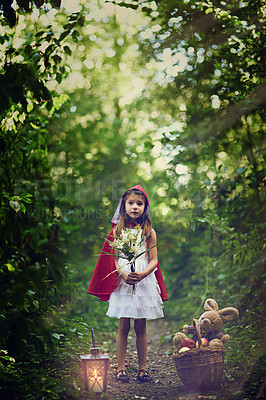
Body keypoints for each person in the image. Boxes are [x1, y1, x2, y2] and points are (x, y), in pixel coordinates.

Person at [87, 185, 168, 383]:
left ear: (145, 207)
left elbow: (154, 260)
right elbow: (112, 259)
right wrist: (122, 273)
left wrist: (142, 274)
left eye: (139, 204)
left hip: (143, 281)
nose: (135, 207)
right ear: (124, 206)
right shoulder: (117, 231)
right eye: (131, 203)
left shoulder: (150, 232)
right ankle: (121, 368)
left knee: (141, 326)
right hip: (123, 281)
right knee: (123, 326)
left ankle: (142, 369)